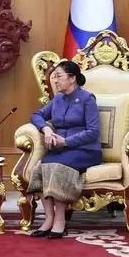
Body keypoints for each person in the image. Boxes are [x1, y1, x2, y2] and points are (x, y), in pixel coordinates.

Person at [26, 60, 102, 239]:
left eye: (59, 77)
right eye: (54, 77)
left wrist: (66, 142)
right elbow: (36, 115)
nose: (55, 81)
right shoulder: (57, 99)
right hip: (61, 150)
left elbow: (93, 132)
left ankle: (60, 221)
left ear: (72, 78)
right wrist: (45, 128)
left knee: (57, 167)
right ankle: (49, 219)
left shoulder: (87, 99)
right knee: (41, 166)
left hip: (86, 151)